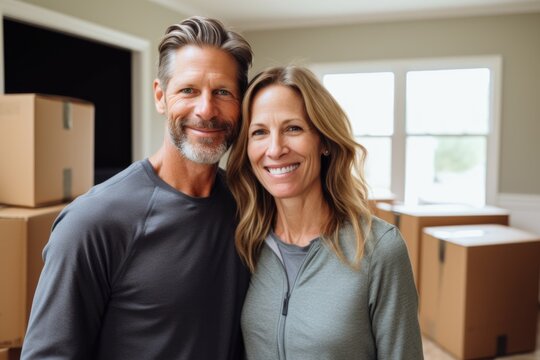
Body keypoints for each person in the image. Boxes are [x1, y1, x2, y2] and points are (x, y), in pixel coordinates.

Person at [21, 16, 252, 360]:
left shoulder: (250, 206)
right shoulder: (92, 222)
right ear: (161, 97)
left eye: (222, 92)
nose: (206, 110)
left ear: (241, 104)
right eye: (188, 90)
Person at [226, 65, 423, 359]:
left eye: (293, 128)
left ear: (325, 142)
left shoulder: (379, 249)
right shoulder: (244, 243)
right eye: (260, 132)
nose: (275, 148)